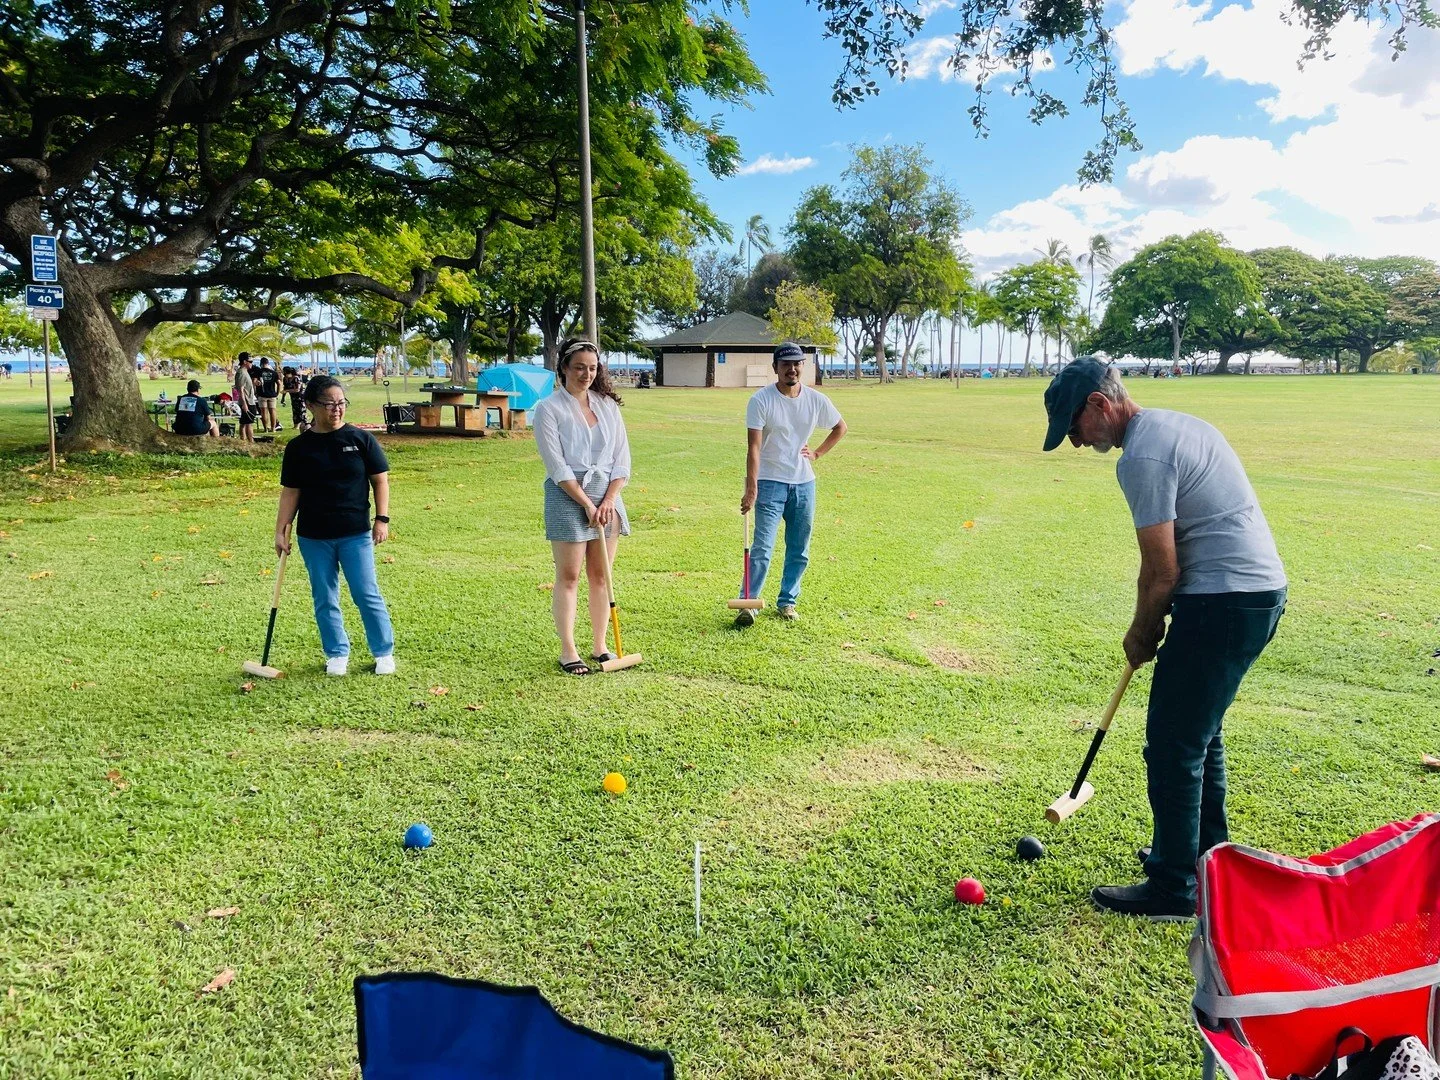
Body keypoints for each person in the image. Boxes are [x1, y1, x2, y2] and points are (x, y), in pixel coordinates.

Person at [1042, 357, 1287, 920]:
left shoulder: (1143, 456)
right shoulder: (1182, 424)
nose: (1076, 444)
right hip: (1257, 596)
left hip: (1222, 604)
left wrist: (1141, 632)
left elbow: (1161, 571)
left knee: (1175, 745)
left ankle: (1175, 888)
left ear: (1100, 406)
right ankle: (1206, 864)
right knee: (1201, 737)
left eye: (1074, 429)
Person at [274, 376, 396, 676]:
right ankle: (336, 653)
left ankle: (383, 652)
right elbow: (291, 491)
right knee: (324, 596)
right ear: (311, 405)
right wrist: (280, 529)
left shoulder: (360, 440)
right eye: (329, 404)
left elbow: (380, 480)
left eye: (341, 403)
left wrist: (382, 519)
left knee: (366, 592)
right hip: (314, 535)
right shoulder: (299, 448)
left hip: (355, 533)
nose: (336, 410)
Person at [532, 338, 631, 676]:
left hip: (607, 495)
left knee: (601, 574)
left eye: (592, 368)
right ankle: (568, 650)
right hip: (567, 494)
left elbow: (622, 460)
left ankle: (601, 646)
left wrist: (609, 500)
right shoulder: (549, 408)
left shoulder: (608, 406)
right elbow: (556, 466)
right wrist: (588, 504)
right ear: (563, 368)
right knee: (570, 575)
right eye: (579, 367)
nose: (587, 374)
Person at [735, 342, 847, 626]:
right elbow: (754, 448)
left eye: (797, 364)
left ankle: (787, 601)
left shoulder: (815, 399)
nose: (792, 369)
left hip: (804, 483)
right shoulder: (760, 400)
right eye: (786, 364)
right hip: (770, 483)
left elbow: (840, 427)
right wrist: (751, 488)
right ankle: (748, 603)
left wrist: (818, 453)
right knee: (762, 546)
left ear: (803, 367)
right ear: (776, 368)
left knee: (799, 548)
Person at [233, 353, 257, 443]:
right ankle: (250, 442)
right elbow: (241, 390)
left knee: (245, 423)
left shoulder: (244, 372)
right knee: (248, 424)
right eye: (250, 361)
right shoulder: (241, 373)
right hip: (247, 402)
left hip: (249, 401)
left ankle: (245, 441)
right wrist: (244, 404)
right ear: (244, 362)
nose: (251, 363)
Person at [255, 356, 281, 431]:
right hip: (272, 394)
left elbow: (255, 382)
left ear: (261, 364)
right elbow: (279, 383)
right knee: (273, 411)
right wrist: (277, 393)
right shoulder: (274, 373)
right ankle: (273, 428)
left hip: (262, 394)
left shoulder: (258, 372)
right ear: (268, 363)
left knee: (263, 412)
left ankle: (266, 428)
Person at [281, 366, 307, 431]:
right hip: (293, 398)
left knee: (301, 412)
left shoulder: (296, 378)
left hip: (300, 397)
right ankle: (296, 426)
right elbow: (285, 388)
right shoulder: (285, 379)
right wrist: (283, 398)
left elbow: (297, 389)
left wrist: (287, 391)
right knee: (295, 412)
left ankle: (304, 426)